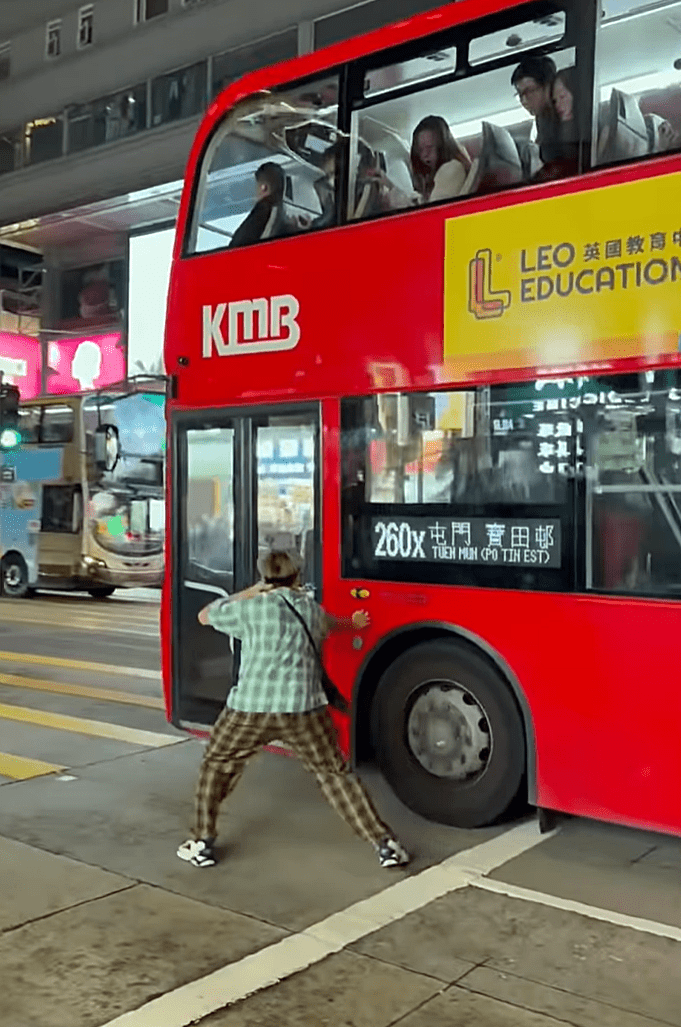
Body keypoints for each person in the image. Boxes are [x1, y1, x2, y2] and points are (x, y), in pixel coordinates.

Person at [177, 550, 410, 870]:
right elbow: (333, 625)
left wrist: (252, 591)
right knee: (334, 774)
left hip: (250, 708)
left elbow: (205, 615)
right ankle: (385, 844)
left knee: (217, 763)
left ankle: (202, 841)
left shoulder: (250, 609)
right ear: (297, 575)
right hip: (304, 708)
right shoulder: (312, 611)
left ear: (264, 577)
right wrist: (354, 622)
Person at [375, 115, 472, 209]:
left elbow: (430, 212)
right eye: (420, 150)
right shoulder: (439, 174)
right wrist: (389, 185)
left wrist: (392, 193)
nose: (425, 154)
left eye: (429, 147)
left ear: (443, 146)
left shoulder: (451, 168)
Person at [511, 55, 560, 164]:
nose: (523, 100)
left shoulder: (564, 118)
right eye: (520, 95)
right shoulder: (542, 119)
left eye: (529, 91)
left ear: (547, 86)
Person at [228, 162, 289, 248]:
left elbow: (236, 245)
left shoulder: (262, 210)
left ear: (264, 187)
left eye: (256, 185)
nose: (254, 192)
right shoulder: (282, 212)